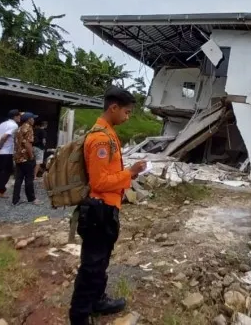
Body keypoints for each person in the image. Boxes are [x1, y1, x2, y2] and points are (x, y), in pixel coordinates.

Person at [69, 87, 147, 325]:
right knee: (92, 264)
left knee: (101, 260)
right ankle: (80, 315)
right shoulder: (101, 138)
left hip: (106, 209)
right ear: (113, 108)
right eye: (126, 111)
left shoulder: (109, 133)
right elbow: (99, 181)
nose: (128, 116)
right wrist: (130, 173)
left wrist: (127, 174)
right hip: (98, 210)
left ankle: (97, 300)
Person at [0, 109, 21, 197]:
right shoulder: (14, 125)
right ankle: (0, 191)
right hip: (7, 152)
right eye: (19, 116)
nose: (20, 118)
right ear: (15, 117)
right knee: (6, 171)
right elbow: (4, 137)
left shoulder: (2, 124)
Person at [12, 112, 41, 206]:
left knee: (18, 179)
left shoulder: (19, 129)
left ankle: (15, 200)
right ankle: (32, 198)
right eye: (33, 118)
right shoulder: (29, 128)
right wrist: (31, 155)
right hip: (26, 157)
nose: (34, 120)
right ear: (29, 119)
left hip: (18, 157)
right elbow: (27, 143)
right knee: (29, 178)